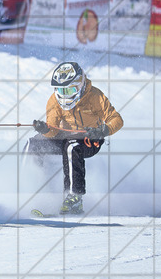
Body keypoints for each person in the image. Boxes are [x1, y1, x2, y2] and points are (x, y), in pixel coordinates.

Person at [25, 62, 123, 214]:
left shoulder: (95, 96)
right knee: (33, 143)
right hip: (64, 136)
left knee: (71, 146)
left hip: (90, 140)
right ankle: (28, 189)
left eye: (69, 89)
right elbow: (52, 129)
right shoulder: (54, 100)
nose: (64, 94)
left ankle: (74, 198)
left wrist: (103, 130)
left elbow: (116, 119)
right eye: (60, 89)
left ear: (80, 85)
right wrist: (45, 130)